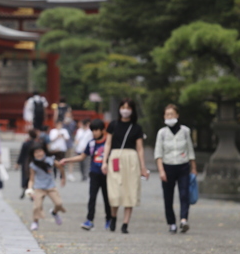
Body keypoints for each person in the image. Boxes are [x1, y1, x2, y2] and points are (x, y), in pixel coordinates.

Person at [102, 98, 149, 234]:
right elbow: (108, 144)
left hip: (131, 159)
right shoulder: (113, 125)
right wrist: (104, 161)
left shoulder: (137, 128)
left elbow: (140, 149)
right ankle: (113, 217)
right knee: (114, 190)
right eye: (123, 107)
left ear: (132, 110)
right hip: (115, 157)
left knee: (130, 190)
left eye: (128, 108)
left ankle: (125, 223)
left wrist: (143, 167)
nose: (125, 110)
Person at [61, 119, 112, 231]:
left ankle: (109, 219)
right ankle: (90, 220)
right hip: (94, 173)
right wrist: (68, 160)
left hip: (107, 174)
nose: (94, 133)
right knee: (92, 198)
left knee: (107, 198)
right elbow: (82, 157)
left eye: (96, 130)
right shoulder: (92, 143)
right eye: (92, 130)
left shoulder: (108, 142)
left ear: (103, 130)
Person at [154, 104, 197, 234]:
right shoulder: (162, 133)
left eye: (172, 114)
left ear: (177, 115)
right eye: (167, 115)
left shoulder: (185, 131)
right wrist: (161, 170)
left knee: (184, 194)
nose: (170, 117)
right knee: (168, 197)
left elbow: (190, 149)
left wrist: (193, 167)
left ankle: (184, 219)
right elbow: (158, 153)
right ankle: (171, 223)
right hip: (167, 166)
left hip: (183, 165)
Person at [26, 143, 66, 231]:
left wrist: (63, 178)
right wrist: (29, 189)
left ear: (44, 151)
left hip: (51, 186)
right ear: (33, 154)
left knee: (59, 203)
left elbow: (60, 167)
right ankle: (35, 221)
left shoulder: (50, 160)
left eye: (40, 151)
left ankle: (54, 212)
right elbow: (31, 179)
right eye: (36, 152)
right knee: (37, 206)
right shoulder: (33, 165)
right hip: (39, 188)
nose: (39, 154)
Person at [16, 128, 39, 198]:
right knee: (33, 178)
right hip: (35, 162)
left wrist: (18, 163)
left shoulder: (25, 144)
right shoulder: (37, 144)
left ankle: (24, 190)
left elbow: (22, 154)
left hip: (25, 162)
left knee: (25, 177)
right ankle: (32, 192)